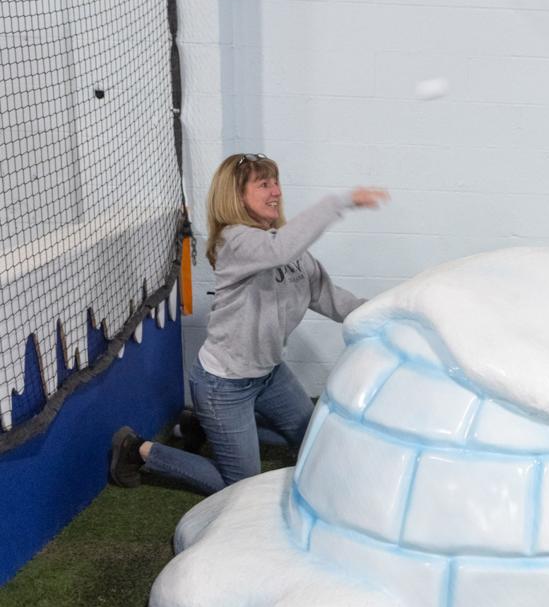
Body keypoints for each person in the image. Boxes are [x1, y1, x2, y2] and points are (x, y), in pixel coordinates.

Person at [109, 153, 389, 494]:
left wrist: (388, 314)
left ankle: (198, 427)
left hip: (269, 375)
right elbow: (280, 251)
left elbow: (331, 298)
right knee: (241, 485)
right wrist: (340, 202)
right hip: (223, 386)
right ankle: (139, 451)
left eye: (276, 182)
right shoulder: (235, 241)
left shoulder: (286, 248)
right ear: (238, 196)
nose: (276, 192)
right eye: (264, 184)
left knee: (315, 440)